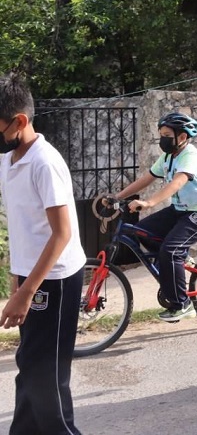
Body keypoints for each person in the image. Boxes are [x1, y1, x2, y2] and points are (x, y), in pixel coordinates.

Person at [0, 73, 86, 435]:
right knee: (30, 368)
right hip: (31, 276)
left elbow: (61, 233)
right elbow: (23, 226)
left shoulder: (44, 163)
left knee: (46, 379)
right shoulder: (10, 158)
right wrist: (15, 277)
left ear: (19, 121)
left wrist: (25, 292)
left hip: (56, 280)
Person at [113, 112, 197, 322]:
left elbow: (177, 183)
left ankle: (182, 303)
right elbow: (147, 179)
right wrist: (116, 196)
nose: (162, 139)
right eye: (161, 134)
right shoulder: (167, 157)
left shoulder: (191, 156)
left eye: (166, 135)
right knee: (142, 232)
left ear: (182, 137)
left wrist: (149, 203)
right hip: (181, 210)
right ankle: (176, 262)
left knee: (170, 250)